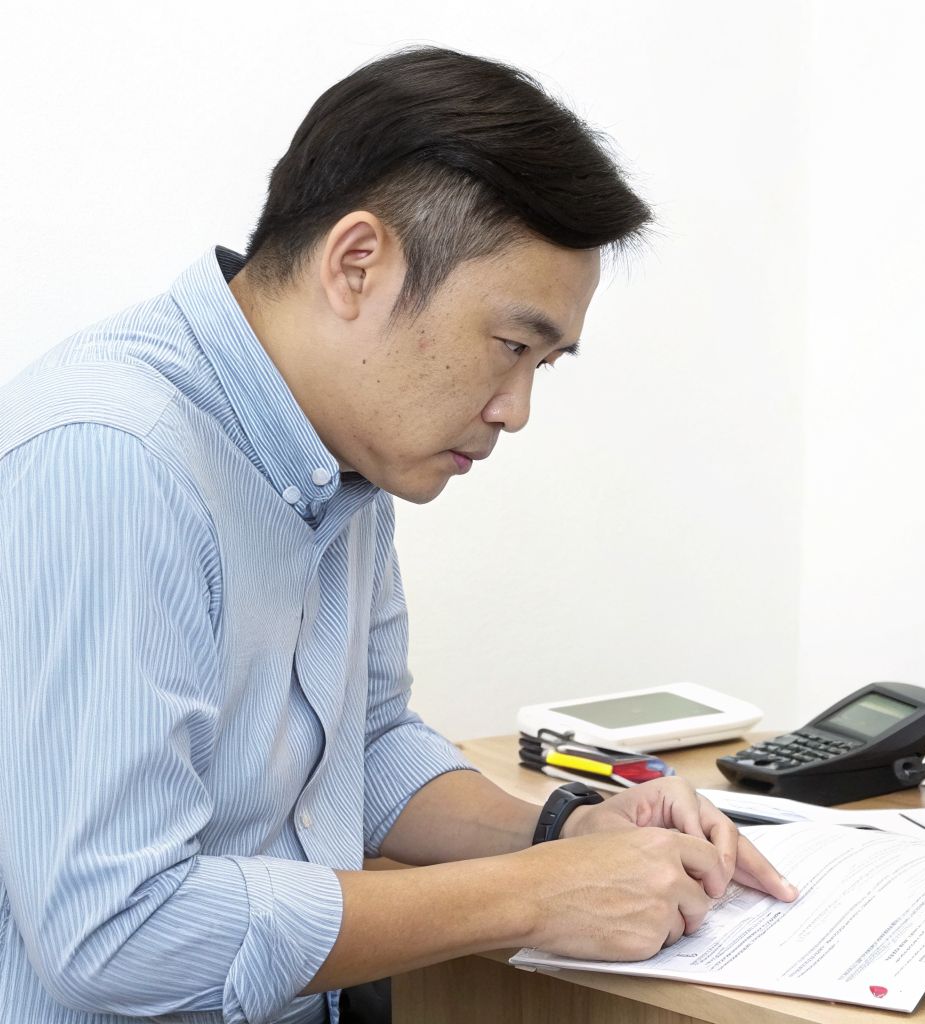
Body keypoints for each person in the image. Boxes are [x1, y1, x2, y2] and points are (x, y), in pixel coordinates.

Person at [0, 47, 795, 1024]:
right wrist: (540, 892)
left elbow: (362, 745)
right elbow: (114, 934)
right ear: (357, 266)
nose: (516, 410)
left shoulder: (345, 450)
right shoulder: (115, 461)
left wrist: (569, 827)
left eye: (547, 364)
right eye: (511, 346)